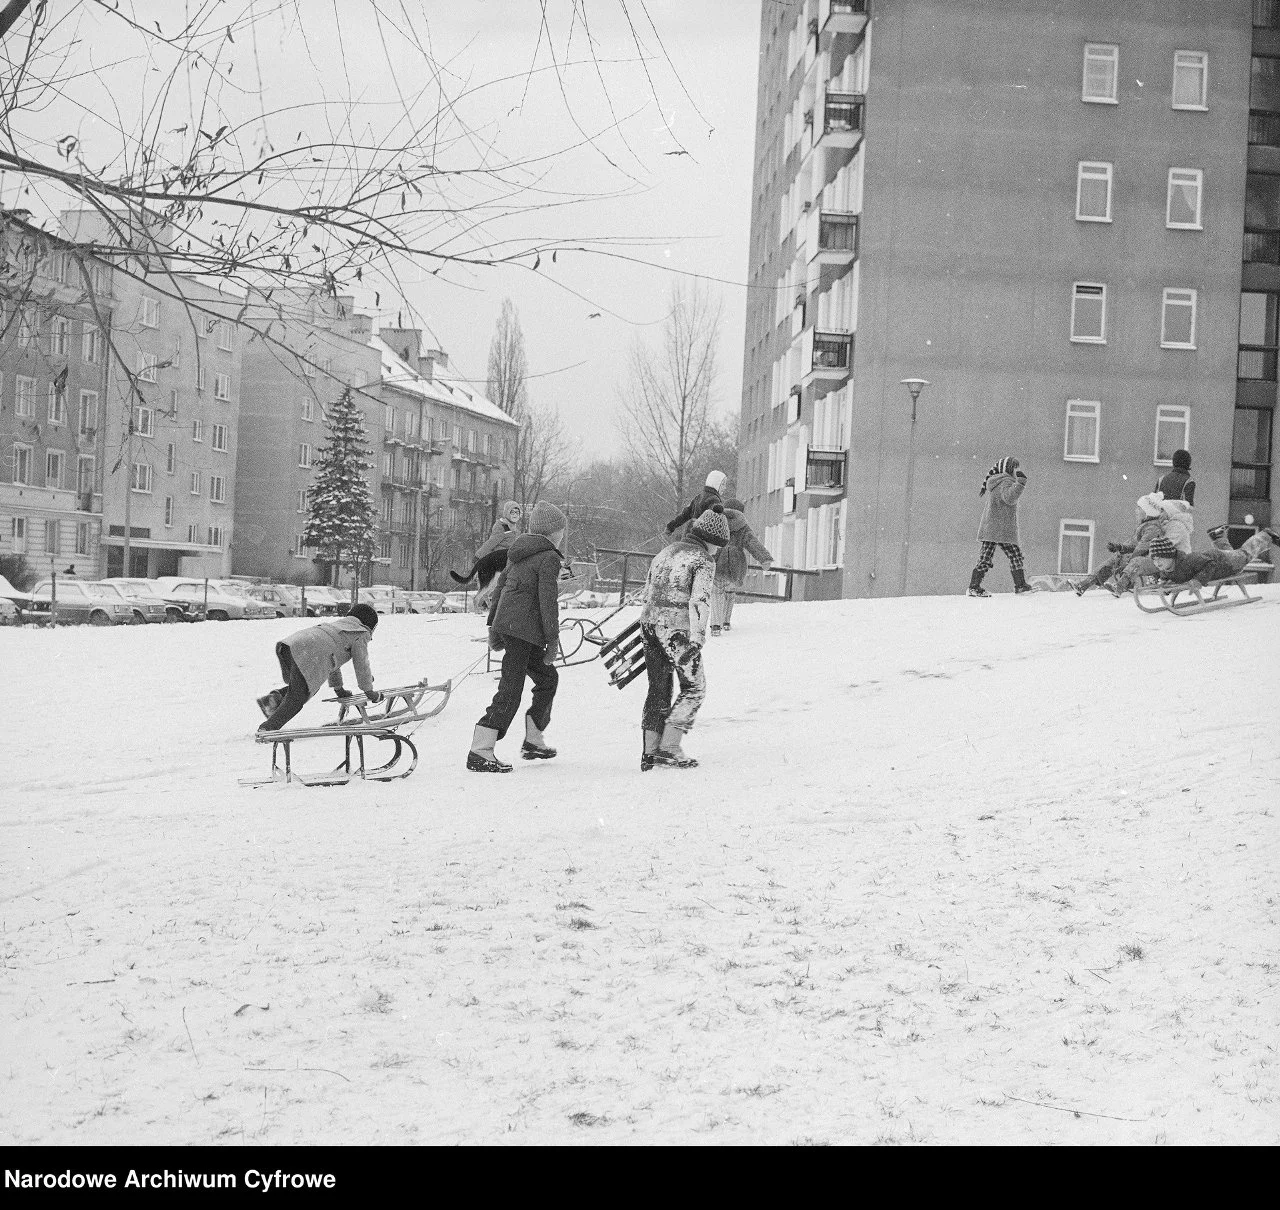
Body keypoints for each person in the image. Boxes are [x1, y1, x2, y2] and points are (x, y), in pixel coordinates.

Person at [467, 501, 566, 773]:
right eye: (560, 531)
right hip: (524, 632)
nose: (561, 536)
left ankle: (533, 740)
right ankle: (480, 749)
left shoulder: (517, 552)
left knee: (548, 678)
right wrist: (553, 641)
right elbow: (548, 602)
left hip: (515, 629)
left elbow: (500, 589)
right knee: (510, 690)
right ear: (553, 533)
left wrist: (493, 626)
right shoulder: (548, 558)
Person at [639, 506, 729, 770]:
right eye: (719, 545)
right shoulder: (703, 560)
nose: (718, 551)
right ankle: (669, 747)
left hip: (649, 624)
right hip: (676, 631)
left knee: (658, 688)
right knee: (694, 687)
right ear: (712, 540)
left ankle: (650, 751)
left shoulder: (665, 553)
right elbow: (699, 600)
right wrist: (698, 638)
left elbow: (647, 592)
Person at [257, 603, 382, 732]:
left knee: (306, 686)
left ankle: (275, 699)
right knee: (298, 695)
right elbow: (362, 664)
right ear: (369, 625)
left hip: (292, 645)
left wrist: (339, 689)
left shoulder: (337, 626)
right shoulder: (360, 633)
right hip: (310, 651)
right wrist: (369, 691)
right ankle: (268, 728)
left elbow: (332, 661)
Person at [1075, 494, 1168, 596]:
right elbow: (1133, 544)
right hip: (1141, 556)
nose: (1136, 511)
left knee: (1135, 562)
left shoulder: (1153, 528)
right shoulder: (1144, 525)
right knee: (1116, 558)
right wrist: (1120, 548)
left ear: (1147, 511)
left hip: (1153, 560)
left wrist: (1125, 562)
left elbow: (1141, 549)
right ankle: (1085, 584)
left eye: (1139, 508)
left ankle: (1120, 587)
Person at [967, 457, 1031, 597]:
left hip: (994, 528)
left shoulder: (997, 481)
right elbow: (1009, 498)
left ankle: (975, 586)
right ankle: (1019, 585)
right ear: (1009, 469)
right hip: (998, 528)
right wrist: (1021, 483)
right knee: (1010, 555)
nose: (1017, 470)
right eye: (1016, 468)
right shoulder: (1006, 481)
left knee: (991, 557)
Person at [710, 498, 773, 635]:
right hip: (736, 563)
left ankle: (715, 625)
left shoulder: (716, 523)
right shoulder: (743, 526)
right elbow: (752, 543)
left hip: (718, 561)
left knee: (716, 593)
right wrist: (764, 559)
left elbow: (705, 540)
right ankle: (726, 621)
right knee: (730, 592)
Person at [451, 500, 523, 610]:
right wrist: (479, 555)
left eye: (517, 513)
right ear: (507, 513)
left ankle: (491, 606)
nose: (514, 515)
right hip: (497, 560)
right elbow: (491, 542)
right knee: (491, 586)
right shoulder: (503, 527)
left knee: (494, 585)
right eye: (512, 512)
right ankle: (477, 604)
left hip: (508, 559)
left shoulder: (513, 527)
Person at [1147, 529, 1277, 586]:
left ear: (1169, 555)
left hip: (1226, 562)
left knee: (1244, 554)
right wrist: (1162, 585)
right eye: (1154, 559)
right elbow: (1166, 577)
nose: (1157, 562)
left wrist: (1198, 580)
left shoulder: (1188, 560)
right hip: (1219, 559)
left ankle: (1266, 535)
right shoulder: (1166, 568)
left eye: (1160, 558)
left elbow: (1210, 564)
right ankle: (1218, 535)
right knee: (1232, 552)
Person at [665, 470, 727, 537]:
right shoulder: (714, 500)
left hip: (690, 536)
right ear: (716, 483)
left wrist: (671, 526)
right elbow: (715, 522)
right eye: (723, 484)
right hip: (702, 540)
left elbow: (685, 515)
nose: (725, 488)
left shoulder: (699, 497)